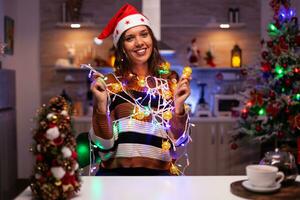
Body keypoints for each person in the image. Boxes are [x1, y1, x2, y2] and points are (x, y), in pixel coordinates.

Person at [89, 3, 191, 176]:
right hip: (116, 178)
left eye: (144, 34)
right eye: (130, 38)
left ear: (152, 39)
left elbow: (177, 143)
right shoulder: (110, 84)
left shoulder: (168, 83)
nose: (139, 43)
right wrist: (100, 106)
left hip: (159, 179)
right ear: (121, 47)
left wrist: (179, 108)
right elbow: (104, 144)